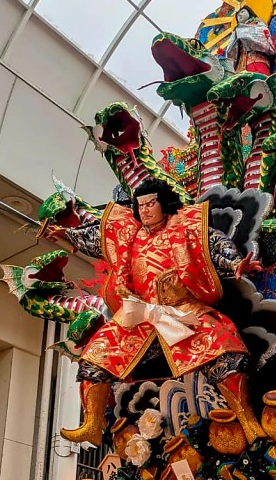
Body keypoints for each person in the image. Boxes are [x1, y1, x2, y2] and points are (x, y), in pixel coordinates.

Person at [41, 178, 264, 446]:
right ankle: (91, 424)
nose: (145, 210)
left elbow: (214, 246)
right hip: (140, 315)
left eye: (151, 204)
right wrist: (66, 235)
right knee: (95, 355)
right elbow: (97, 239)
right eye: (141, 205)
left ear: (164, 203)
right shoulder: (127, 233)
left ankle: (249, 421)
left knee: (223, 349)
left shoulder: (186, 226)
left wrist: (236, 263)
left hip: (183, 310)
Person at [225, 5, 276, 75]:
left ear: (249, 12)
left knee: (259, 77)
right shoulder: (236, 31)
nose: (240, 15)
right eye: (238, 15)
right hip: (242, 63)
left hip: (257, 58)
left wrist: (244, 35)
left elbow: (263, 38)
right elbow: (230, 50)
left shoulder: (257, 24)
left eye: (242, 12)